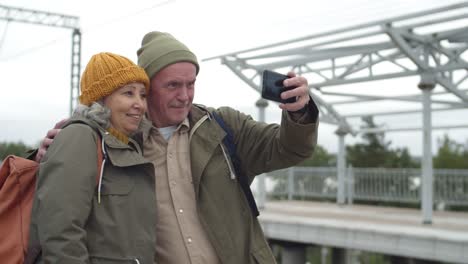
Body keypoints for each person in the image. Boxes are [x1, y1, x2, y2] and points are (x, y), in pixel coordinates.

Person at [36, 31, 319, 264]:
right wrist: (42, 157)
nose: (184, 96)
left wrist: (300, 112)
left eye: (191, 84)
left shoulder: (225, 127)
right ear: (147, 86)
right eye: (172, 85)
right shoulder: (112, 142)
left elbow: (290, 148)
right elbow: (62, 219)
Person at [27, 52, 157, 263]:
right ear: (101, 98)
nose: (140, 104)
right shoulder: (80, 137)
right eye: (128, 93)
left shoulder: (126, 145)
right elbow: (60, 232)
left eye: (143, 95)